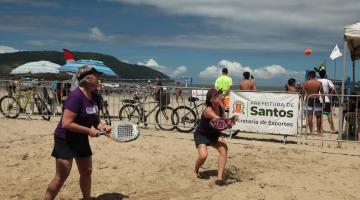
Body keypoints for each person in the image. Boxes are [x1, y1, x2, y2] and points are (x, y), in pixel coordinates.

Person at [44, 65, 110, 200]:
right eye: (97, 77)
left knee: (87, 172)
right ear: (87, 79)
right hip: (65, 139)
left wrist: (101, 126)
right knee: (62, 176)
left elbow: (94, 118)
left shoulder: (95, 96)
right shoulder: (75, 97)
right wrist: (89, 131)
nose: (99, 80)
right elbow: (66, 123)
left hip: (80, 138)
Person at [193, 88, 228, 185]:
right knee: (203, 156)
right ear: (210, 100)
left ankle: (220, 177)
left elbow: (223, 124)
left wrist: (229, 123)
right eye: (215, 96)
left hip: (214, 134)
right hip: (202, 134)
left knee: (224, 149)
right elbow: (220, 120)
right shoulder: (208, 110)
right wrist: (230, 121)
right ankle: (196, 170)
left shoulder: (221, 106)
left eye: (219, 95)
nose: (218, 97)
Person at [302, 70, 324, 136]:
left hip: (308, 99)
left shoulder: (305, 83)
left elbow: (303, 93)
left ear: (309, 76)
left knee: (309, 116)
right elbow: (322, 93)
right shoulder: (319, 83)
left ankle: (311, 132)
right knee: (318, 117)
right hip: (316, 99)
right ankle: (318, 132)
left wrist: (303, 99)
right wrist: (323, 101)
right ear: (314, 75)